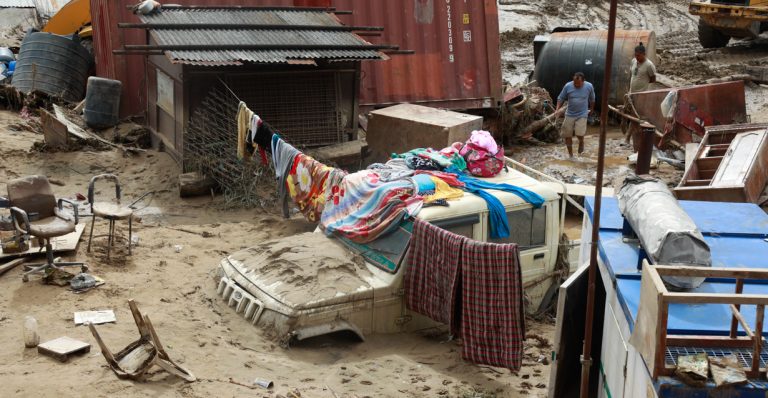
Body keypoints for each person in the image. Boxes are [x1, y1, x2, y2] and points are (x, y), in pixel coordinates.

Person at [556, 72, 595, 157]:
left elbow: (592, 99)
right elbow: (560, 98)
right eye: (574, 82)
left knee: (579, 134)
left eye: (578, 83)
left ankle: (581, 142)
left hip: (582, 113)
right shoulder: (568, 86)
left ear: (583, 81)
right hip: (570, 113)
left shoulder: (589, 86)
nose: (576, 84)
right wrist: (557, 109)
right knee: (567, 135)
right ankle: (571, 155)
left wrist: (591, 109)